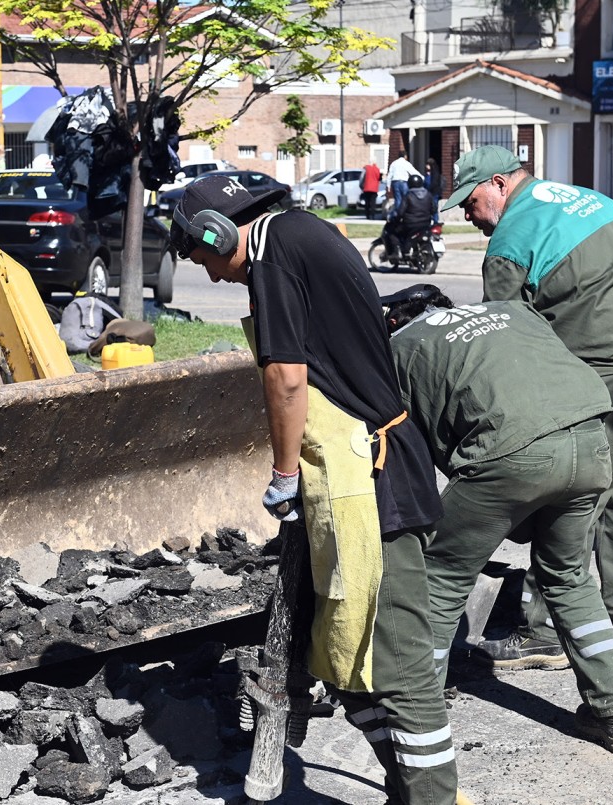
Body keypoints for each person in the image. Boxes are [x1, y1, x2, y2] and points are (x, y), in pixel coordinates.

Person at [171, 175, 456, 804]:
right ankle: (409, 789)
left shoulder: (273, 253)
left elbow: (288, 378)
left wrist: (282, 474)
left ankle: (438, 798)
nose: (214, 277)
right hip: (355, 467)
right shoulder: (298, 234)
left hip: (369, 476)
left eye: (206, 259)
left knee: (397, 660)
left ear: (219, 230)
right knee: (348, 657)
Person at [444, 145, 613, 670]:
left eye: (470, 201)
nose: (467, 216)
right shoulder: (589, 200)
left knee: (572, 496)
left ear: (500, 184)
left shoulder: (510, 238)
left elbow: (507, 340)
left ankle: (546, 631)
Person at [385, 284, 613, 755]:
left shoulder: (401, 346)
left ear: (393, 320)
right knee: (568, 577)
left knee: (442, 577)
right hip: (590, 441)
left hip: (510, 454)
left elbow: (412, 450)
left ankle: (421, 703)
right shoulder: (511, 311)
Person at [382, 175, 434, 263]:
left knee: (392, 232)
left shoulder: (409, 195)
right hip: (425, 224)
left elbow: (401, 212)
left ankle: (396, 252)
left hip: (410, 224)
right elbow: (434, 209)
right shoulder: (428, 195)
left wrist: (396, 218)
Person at [386, 150, 420, 219]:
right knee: (405, 199)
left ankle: (397, 216)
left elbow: (390, 175)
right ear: (405, 156)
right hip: (404, 182)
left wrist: (388, 185)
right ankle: (404, 215)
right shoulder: (406, 163)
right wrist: (421, 177)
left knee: (398, 199)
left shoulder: (394, 163)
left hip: (395, 182)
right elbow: (413, 172)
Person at [424, 158, 444, 225]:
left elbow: (433, 184)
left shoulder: (434, 173)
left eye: (427, 164)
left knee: (434, 207)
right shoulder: (428, 174)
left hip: (433, 193)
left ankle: (435, 221)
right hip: (430, 193)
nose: (426, 166)